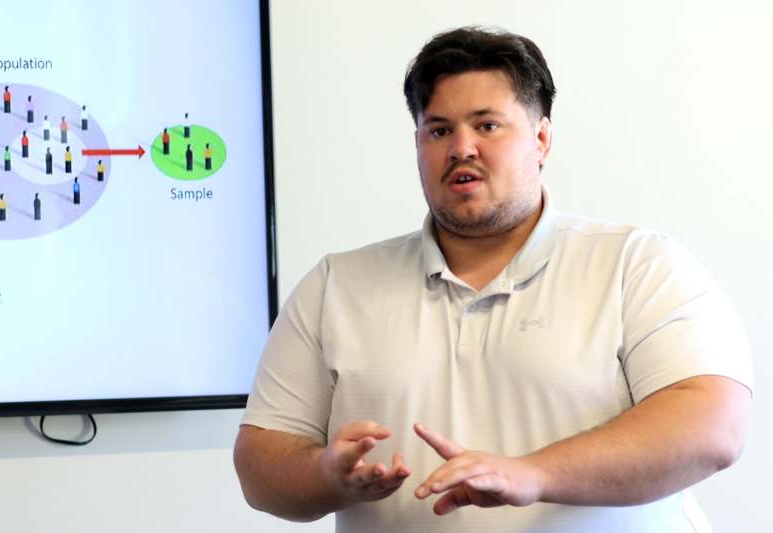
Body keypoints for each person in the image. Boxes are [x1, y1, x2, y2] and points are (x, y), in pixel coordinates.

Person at [234, 27, 753, 533]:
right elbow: (260, 465)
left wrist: (533, 473)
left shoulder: (637, 263)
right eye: (439, 130)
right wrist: (327, 476)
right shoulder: (336, 285)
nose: (462, 148)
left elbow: (714, 427)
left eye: (487, 126)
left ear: (543, 138)